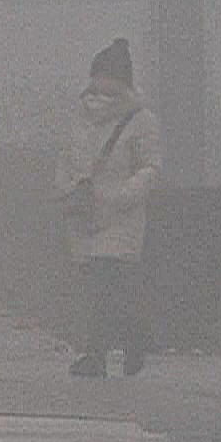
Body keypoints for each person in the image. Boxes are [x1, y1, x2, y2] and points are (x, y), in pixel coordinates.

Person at [57, 38, 162, 377]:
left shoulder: (141, 119)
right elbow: (67, 157)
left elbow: (149, 167)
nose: (98, 84)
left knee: (104, 285)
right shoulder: (79, 115)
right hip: (86, 214)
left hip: (120, 217)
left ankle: (97, 356)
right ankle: (134, 338)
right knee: (99, 289)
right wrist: (68, 187)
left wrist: (123, 195)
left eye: (105, 76)